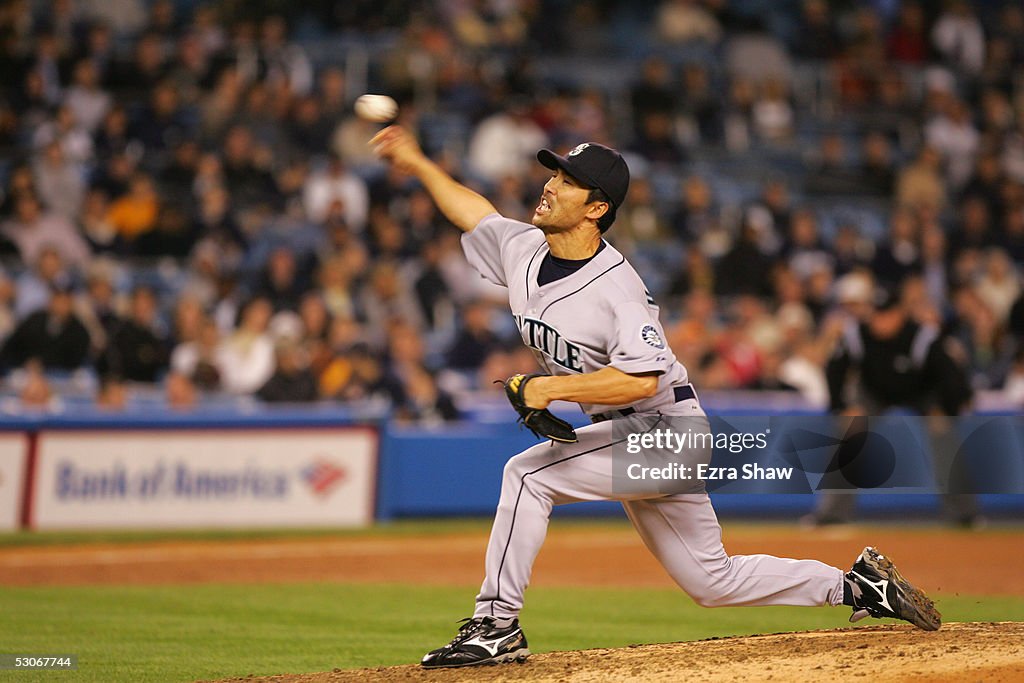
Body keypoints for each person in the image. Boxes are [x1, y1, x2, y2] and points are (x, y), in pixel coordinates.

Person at [371, 126, 941, 669]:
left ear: (597, 209)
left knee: (527, 475)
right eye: (554, 174)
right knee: (711, 581)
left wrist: (550, 388)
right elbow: (474, 212)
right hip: (633, 436)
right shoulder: (522, 249)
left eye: (567, 181)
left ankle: (495, 626)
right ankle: (858, 585)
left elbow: (643, 378)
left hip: (665, 431)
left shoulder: (616, 288)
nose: (549, 184)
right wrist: (418, 163)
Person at [809, 287, 982, 528]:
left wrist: (946, 406)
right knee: (847, 431)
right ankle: (832, 513)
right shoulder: (857, 334)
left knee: (942, 432)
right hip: (874, 393)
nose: (880, 321)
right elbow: (835, 368)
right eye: (877, 314)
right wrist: (841, 406)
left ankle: (965, 514)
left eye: (887, 314)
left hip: (922, 392)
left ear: (900, 313)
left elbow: (949, 373)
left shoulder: (922, 335)